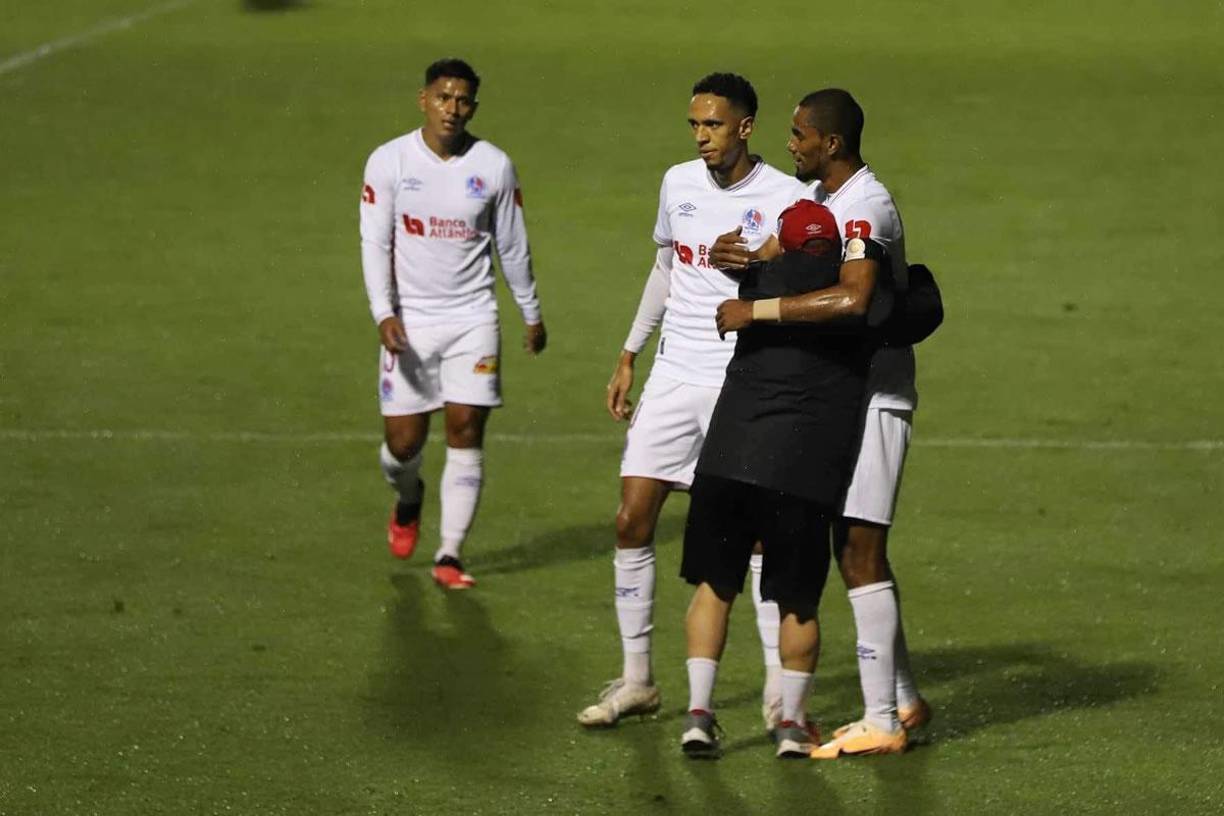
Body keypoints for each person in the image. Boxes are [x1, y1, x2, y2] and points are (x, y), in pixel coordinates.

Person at [576, 73, 808, 727]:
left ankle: (772, 691)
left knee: (758, 538)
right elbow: (665, 267)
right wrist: (629, 352)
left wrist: (760, 265)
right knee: (631, 519)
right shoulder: (677, 183)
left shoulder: (788, 196)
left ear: (745, 127)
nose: (701, 136)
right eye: (694, 125)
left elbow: (810, 277)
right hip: (674, 373)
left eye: (713, 124)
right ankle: (638, 680)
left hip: (744, 380)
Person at [712, 88, 930, 758]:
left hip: (876, 396)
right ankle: (905, 701)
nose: (791, 143)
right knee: (851, 544)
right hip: (842, 396)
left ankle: (881, 721)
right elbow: (787, 253)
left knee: (859, 548)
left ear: (831, 143)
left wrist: (758, 314)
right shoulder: (825, 206)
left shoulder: (866, 204)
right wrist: (744, 258)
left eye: (801, 134)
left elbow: (855, 297)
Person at [680, 198, 890, 758]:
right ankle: (793, 725)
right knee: (798, 602)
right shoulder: (855, 302)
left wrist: (760, 256)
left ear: (784, 241)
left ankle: (699, 715)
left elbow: (748, 261)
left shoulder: (756, 281)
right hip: (801, 475)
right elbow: (904, 303)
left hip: (729, 459)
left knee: (716, 587)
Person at [359, 58, 546, 590]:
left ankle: (450, 554)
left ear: (474, 107)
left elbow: (512, 244)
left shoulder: (492, 166)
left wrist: (529, 311)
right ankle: (409, 495)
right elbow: (375, 241)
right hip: (411, 322)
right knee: (403, 446)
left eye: (463, 100)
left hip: (473, 318)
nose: (453, 109)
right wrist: (384, 312)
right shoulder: (389, 162)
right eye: (443, 97)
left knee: (466, 428)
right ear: (424, 99)